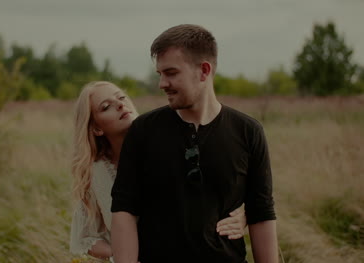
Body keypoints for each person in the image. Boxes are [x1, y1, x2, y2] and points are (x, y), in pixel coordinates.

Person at [111, 25, 278, 263]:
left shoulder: (248, 132)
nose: (162, 83)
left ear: (204, 71)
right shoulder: (144, 130)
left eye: (171, 73)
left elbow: (261, 213)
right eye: (160, 74)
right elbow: (124, 209)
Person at [69, 81, 248, 262]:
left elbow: (220, 188)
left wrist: (242, 216)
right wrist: (122, 253)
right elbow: (85, 237)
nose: (121, 105)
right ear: (97, 128)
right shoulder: (96, 172)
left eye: (121, 97)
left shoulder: (168, 144)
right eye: (106, 107)